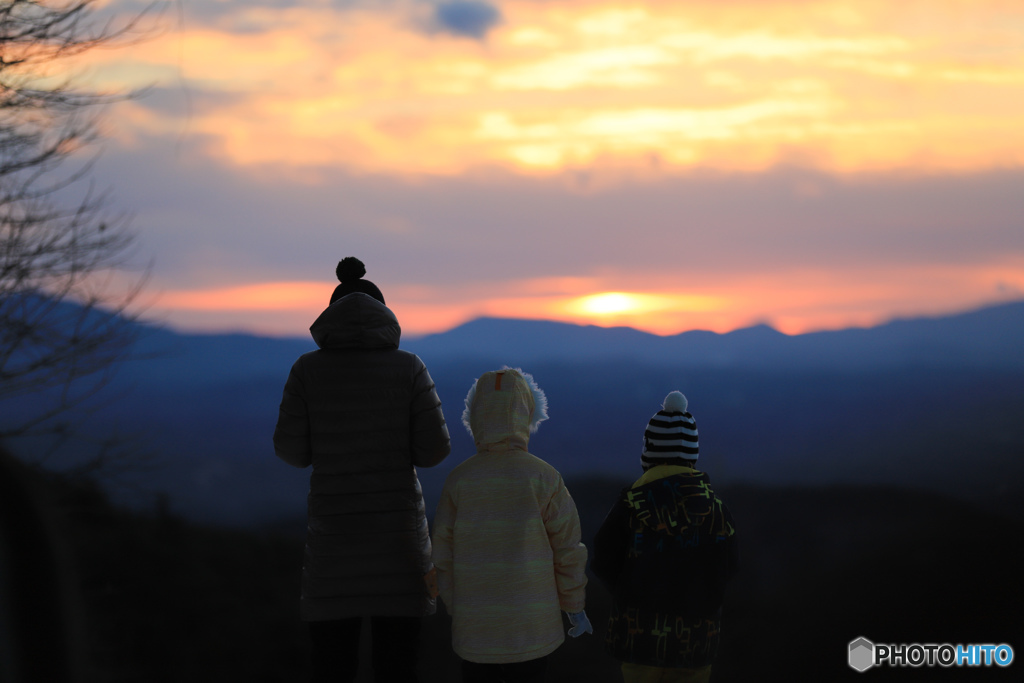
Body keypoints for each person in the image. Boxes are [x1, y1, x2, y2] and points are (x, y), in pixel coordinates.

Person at [273, 257, 451, 683]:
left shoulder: (306, 370)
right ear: (385, 315)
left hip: (334, 549)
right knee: (398, 667)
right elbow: (434, 451)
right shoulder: (409, 368)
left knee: (333, 667)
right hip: (399, 546)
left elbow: (291, 452)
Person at [432, 367, 591, 683]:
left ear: (475, 416)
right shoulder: (544, 478)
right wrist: (574, 605)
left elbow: (442, 556)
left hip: (475, 631)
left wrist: (455, 605)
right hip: (532, 631)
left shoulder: (459, 481)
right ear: (528, 414)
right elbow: (568, 549)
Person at [591, 391, 738, 683]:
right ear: (692, 454)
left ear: (649, 450)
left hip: (639, 636)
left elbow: (603, 558)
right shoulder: (716, 509)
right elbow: (729, 566)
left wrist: (628, 593)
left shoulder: (631, 505)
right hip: (696, 638)